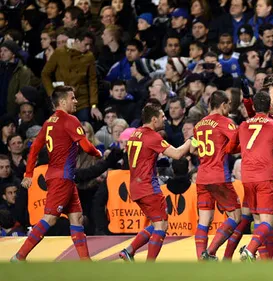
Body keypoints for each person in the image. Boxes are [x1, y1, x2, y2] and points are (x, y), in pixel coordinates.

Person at [11, 86, 103, 262]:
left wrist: (29, 173)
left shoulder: (48, 122)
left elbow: (35, 148)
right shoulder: (70, 120)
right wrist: (98, 153)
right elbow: (86, 146)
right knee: (50, 219)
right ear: (62, 102)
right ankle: (20, 256)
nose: (76, 101)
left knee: (76, 218)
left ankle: (86, 262)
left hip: (59, 176)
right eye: (73, 98)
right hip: (63, 178)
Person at [119, 104, 192, 262]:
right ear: (153, 120)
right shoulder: (152, 136)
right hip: (148, 187)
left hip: (136, 187)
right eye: (161, 116)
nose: (165, 118)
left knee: (156, 222)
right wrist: (190, 140)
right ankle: (150, 267)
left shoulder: (135, 134)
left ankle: (129, 251)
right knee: (162, 226)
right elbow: (178, 154)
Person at [230, 91, 273, 262]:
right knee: (268, 221)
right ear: (269, 107)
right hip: (266, 177)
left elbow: (230, 148)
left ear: (254, 107)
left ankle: (263, 263)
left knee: (257, 221)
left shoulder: (243, 125)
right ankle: (249, 249)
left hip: (247, 178)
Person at [192, 90, 241, 261]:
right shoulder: (224, 122)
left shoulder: (198, 125)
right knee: (235, 215)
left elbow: (193, 148)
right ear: (222, 105)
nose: (229, 108)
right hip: (218, 176)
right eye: (228, 105)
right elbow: (239, 140)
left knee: (204, 219)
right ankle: (210, 252)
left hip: (202, 176)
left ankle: (201, 258)